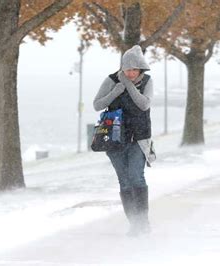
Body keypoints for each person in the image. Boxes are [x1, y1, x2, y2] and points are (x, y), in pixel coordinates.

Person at [93, 45, 156, 237]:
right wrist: (115, 91)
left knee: (136, 176)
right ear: (122, 68)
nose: (130, 73)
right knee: (124, 181)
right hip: (114, 139)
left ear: (140, 69)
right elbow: (97, 104)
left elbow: (144, 104)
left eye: (134, 70)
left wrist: (127, 86)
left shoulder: (147, 81)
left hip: (139, 138)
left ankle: (143, 221)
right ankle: (134, 223)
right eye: (127, 69)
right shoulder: (111, 80)